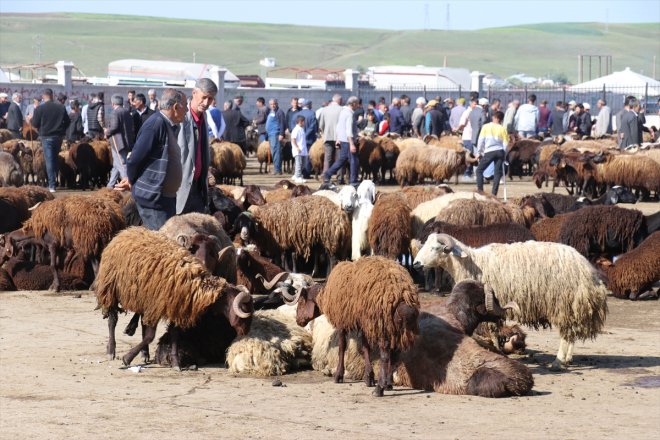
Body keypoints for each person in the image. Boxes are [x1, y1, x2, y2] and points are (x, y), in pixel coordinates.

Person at [117, 89, 187, 230]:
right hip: (154, 200)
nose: (186, 110)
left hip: (165, 198)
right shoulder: (156, 124)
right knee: (160, 243)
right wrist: (131, 179)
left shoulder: (169, 125)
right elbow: (135, 158)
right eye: (185, 105)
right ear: (175, 107)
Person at [176, 78, 217, 214]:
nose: (206, 103)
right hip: (180, 188)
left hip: (198, 187)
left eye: (210, 99)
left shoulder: (203, 118)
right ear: (194, 93)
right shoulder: (181, 117)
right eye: (204, 97)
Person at [31, 88, 70, 192]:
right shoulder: (61, 107)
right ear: (52, 95)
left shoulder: (39, 108)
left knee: (49, 160)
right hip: (58, 137)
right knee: (55, 158)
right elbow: (67, 122)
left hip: (46, 137)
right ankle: (55, 181)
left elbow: (34, 124)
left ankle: (52, 185)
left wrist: (40, 129)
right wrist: (62, 131)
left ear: (43, 97)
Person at [323, 96, 359, 186]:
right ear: (353, 103)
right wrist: (352, 144)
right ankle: (353, 180)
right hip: (348, 140)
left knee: (342, 159)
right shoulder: (350, 114)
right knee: (354, 160)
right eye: (357, 103)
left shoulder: (343, 111)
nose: (358, 105)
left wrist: (338, 138)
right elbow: (349, 130)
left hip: (343, 139)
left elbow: (339, 126)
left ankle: (327, 174)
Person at [105, 94, 136, 188]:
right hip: (127, 142)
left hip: (118, 142)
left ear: (113, 103)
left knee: (122, 165)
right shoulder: (126, 112)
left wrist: (107, 132)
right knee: (116, 165)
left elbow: (114, 127)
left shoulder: (115, 112)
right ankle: (110, 186)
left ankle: (128, 185)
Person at [475, 110, 508, 196]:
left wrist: (479, 152)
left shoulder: (486, 127)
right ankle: (494, 194)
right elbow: (505, 143)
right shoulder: (503, 128)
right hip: (500, 151)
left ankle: (480, 192)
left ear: (495, 118)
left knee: (479, 170)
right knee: (497, 173)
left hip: (489, 151)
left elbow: (481, 140)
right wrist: (504, 153)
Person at [318, 94, 343, 176]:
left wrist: (324, 132)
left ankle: (326, 175)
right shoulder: (342, 110)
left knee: (327, 157)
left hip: (327, 136)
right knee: (339, 158)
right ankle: (339, 176)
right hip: (339, 137)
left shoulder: (324, 110)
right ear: (339, 100)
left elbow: (321, 125)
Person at [266, 98, 286, 175]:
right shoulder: (271, 111)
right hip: (271, 135)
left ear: (277, 104)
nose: (272, 105)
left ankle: (277, 170)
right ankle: (276, 168)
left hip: (276, 134)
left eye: (274, 104)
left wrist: (281, 134)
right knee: (273, 152)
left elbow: (282, 123)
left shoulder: (279, 112)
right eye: (271, 104)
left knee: (276, 152)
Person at [290, 115, 308, 184]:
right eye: (304, 122)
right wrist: (297, 147)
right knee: (299, 163)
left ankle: (296, 175)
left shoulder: (301, 129)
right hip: (298, 150)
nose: (304, 123)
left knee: (302, 164)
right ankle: (298, 177)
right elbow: (293, 139)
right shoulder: (296, 129)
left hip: (302, 149)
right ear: (300, 122)